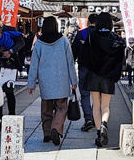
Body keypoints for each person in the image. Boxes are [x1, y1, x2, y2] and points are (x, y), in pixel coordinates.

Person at [25, 16, 77, 146]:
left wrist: (31, 84)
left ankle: (47, 133)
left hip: (45, 80)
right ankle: (56, 128)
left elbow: (34, 65)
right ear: (56, 26)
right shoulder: (64, 41)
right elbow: (70, 63)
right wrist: (73, 81)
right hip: (61, 79)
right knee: (61, 107)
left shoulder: (39, 44)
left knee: (46, 108)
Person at [81, 12, 125, 148]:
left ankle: (100, 133)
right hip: (108, 76)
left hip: (94, 75)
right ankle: (105, 124)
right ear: (110, 24)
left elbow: (84, 57)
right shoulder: (116, 39)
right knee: (105, 106)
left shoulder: (91, 37)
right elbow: (120, 61)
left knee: (96, 104)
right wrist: (115, 75)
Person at [70, 14, 97, 131]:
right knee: (97, 96)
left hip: (84, 67)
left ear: (88, 22)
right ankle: (97, 118)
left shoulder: (82, 34)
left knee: (85, 94)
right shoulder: (102, 34)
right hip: (98, 69)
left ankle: (88, 119)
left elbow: (73, 52)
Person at [0, 27, 22, 115]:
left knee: (9, 90)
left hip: (9, 65)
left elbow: (21, 42)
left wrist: (10, 51)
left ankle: (12, 114)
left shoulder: (9, 30)